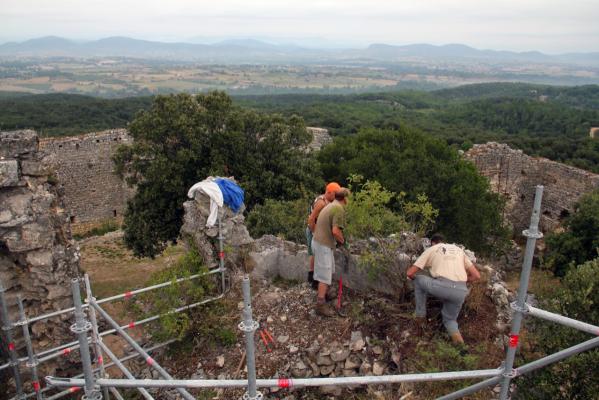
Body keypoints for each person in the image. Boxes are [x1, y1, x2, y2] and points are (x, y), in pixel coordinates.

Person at [406, 233, 481, 344]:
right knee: (450, 320)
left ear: (433, 243)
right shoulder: (458, 250)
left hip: (441, 287)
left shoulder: (432, 249)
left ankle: (420, 317)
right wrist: (460, 282)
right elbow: (476, 276)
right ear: (443, 241)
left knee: (418, 280)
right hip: (460, 291)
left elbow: (410, 273)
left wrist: (418, 280)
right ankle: (461, 349)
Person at [311, 188, 350, 317]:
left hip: (319, 241)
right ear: (345, 199)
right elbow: (335, 231)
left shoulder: (332, 205)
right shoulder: (338, 209)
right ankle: (320, 305)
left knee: (327, 271)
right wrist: (343, 241)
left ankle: (325, 293)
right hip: (323, 244)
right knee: (324, 275)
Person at [306, 182, 341, 288]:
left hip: (318, 231)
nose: (337, 197)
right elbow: (311, 219)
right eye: (335, 194)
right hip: (314, 230)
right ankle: (314, 280)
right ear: (329, 192)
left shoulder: (327, 201)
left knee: (315, 254)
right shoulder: (321, 203)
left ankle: (314, 279)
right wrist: (315, 232)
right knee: (315, 254)